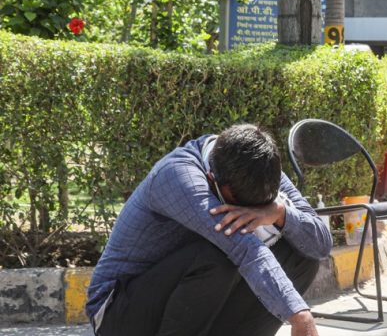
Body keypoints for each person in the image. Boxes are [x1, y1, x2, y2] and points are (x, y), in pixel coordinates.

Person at [86, 124, 332, 336]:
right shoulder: (178, 176)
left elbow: (320, 245)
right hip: (117, 313)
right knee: (218, 253)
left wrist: (280, 213)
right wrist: (300, 316)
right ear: (213, 178)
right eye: (240, 203)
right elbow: (246, 250)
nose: (248, 211)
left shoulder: (260, 168)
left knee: (301, 255)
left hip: (182, 301)